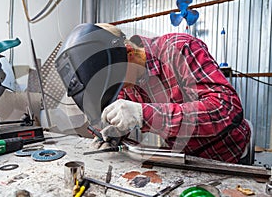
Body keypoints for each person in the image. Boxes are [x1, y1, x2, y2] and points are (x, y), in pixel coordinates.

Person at [55, 23, 251, 163]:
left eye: (121, 83)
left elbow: (227, 108)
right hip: (182, 158)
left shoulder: (179, 49)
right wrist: (113, 133)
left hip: (226, 156)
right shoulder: (126, 82)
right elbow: (119, 114)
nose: (123, 91)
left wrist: (144, 115)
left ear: (129, 52)